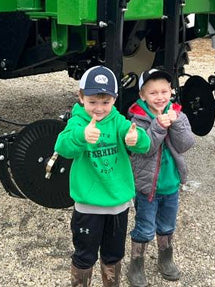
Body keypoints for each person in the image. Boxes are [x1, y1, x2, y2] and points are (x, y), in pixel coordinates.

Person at [55, 65, 151, 287]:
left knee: (114, 254)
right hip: (88, 206)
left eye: (105, 102)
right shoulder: (77, 122)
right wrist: (81, 135)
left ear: (114, 100)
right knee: (84, 255)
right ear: (81, 97)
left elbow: (143, 143)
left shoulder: (118, 121)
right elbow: (62, 146)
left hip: (118, 204)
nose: (99, 108)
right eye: (92, 102)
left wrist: (135, 139)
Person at [126, 69, 195, 287]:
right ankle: (136, 264)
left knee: (167, 225)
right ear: (143, 96)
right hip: (147, 188)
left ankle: (166, 258)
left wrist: (175, 123)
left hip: (171, 185)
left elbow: (186, 144)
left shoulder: (178, 114)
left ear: (172, 92)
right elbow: (144, 149)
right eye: (153, 93)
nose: (160, 97)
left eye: (164, 91)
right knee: (145, 227)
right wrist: (158, 126)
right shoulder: (137, 119)